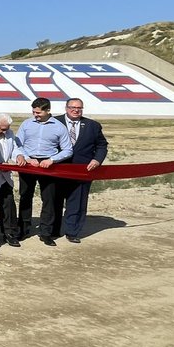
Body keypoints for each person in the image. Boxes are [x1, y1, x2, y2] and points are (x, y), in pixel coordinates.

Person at [15, 97, 74, 246]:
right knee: (25, 196)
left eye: (39, 112)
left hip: (49, 164)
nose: (35, 115)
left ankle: (46, 232)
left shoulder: (59, 127)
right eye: (34, 112)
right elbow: (17, 144)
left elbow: (68, 149)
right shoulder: (26, 124)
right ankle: (23, 229)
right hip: (29, 164)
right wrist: (27, 158)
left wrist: (52, 160)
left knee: (49, 199)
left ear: (48, 110)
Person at [53, 98, 108, 243]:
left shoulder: (92, 125)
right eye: (72, 107)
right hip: (57, 169)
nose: (76, 110)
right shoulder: (54, 122)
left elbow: (102, 146)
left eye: (79, 108)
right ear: (66, 108)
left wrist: (97, 160)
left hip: (82, 171)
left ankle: (72, 232)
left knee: (77, 202)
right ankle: (53, 230)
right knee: (54, 201)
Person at [0, 113, 22, 248]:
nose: (4, 131)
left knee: (8, 203)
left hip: (5, 175)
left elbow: (14, 147)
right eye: (1, 128)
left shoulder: (9, 133)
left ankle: (10, 233)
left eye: (7, 128)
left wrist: (18, 155)